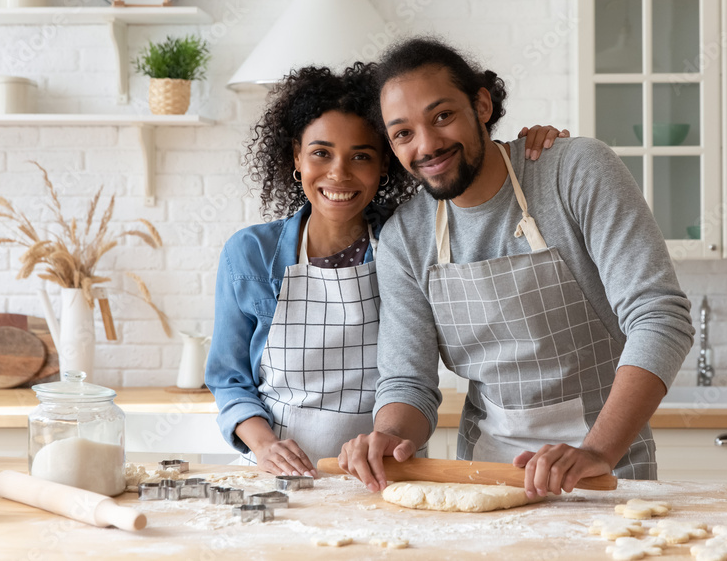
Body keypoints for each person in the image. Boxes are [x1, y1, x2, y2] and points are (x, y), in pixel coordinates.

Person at [338, 38, 695, 498]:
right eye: (403, 132)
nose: (427, 145)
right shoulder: (405, 238)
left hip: (606, 473)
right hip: (484, 481)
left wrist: (597, 452)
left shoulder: (575, 172)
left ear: (481, 104)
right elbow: (409, 380)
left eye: (442, 115)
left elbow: (659, 317)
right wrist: (390, 433)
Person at [205, 62, 567, 477]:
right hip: (275, 473)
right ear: (296, 156)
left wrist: (529, 152)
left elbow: (465, 164)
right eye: (321, 153)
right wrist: (266, 447)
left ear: (385, 165)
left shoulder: (411, 241)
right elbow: (228, 378)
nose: (338, 173)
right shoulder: (251, 254)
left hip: (385, 471)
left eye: (361, 156)